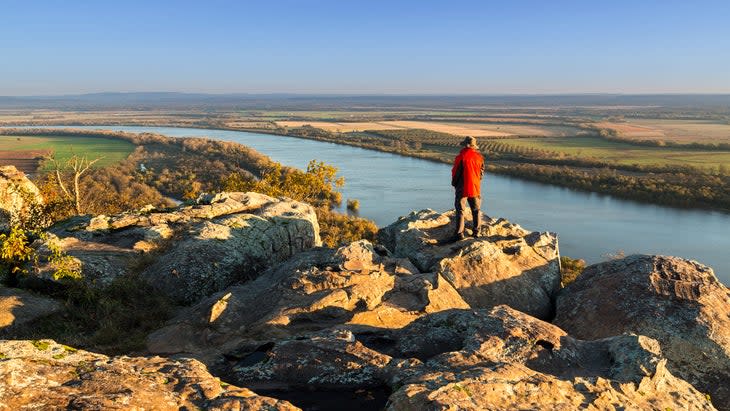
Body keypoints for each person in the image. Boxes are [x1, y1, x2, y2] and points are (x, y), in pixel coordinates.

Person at [451, 136, 484, 241]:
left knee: (460, 210)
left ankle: (459, 234)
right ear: (474, 146)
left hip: (462, 186)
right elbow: (481, 173)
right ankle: (476, 232)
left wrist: (455, 184)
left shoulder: (461, 157)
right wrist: (476, 182)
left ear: (465, 145)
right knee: (476, 210)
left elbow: (456, 173)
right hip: (475, 187)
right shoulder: (479, 157)